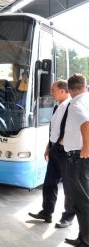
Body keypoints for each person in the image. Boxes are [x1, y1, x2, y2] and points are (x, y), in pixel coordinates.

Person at [28, 80, 75, 228]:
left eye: (53, 89)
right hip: (54, 150)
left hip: (65, 152)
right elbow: (54, 130)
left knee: (69, 187)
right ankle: (46, 212)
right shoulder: (57, 106)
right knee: (49, 183)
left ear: (63, 91)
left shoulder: (72, 106)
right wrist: (48, 146)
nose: (51, 92)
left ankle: (67, 218)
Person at [63, 74, 89, 247]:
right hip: (81, 158)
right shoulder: (87, 99)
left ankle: (85, 240)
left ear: (70, 90)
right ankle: (83, 237)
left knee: (81, 201)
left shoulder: (76, 103)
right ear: (84, 85)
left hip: (78, 158)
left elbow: (86, 123)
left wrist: (86, 147)